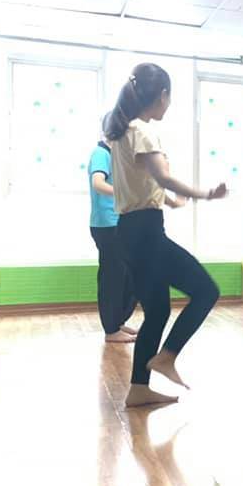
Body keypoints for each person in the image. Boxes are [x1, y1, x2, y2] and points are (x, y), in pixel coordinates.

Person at [104, 63, 227, 408]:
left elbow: (143, 184)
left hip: (129, 231)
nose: (169, 104)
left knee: (157, 312)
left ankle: (138, 389)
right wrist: (206, 194)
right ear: (161, 95)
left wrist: (172, 201)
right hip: (146, 233)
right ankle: (168, 356)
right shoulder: (142, 130)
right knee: (207, 291)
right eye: (169, 97)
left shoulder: (121, 133)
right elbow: (163, 177)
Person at [88, 122, 138, 343]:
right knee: (113, 278)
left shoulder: (115, 155)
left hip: (120, 223)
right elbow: (98, 183)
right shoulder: (100, 153)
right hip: (107, 226)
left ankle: (117, 322)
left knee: (129, 275)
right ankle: (111, 329)